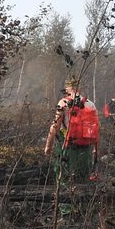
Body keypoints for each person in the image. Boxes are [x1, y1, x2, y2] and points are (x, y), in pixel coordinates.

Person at [44, 77, 100, 214]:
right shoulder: (90, 104)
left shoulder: (64, 103)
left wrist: (48, 145)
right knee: (83, 177)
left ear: (68, 88)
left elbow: (55, 126)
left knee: (64, 178)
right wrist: (96, 151)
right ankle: (83, 209)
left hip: (67, 147)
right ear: (79, 88)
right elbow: (97, 129)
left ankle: (67, 211)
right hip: (86, 148)